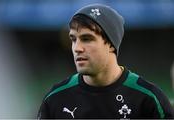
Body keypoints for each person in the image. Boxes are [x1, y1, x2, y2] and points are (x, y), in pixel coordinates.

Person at [37, 4, 174, 119]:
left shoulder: (147, 99)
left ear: (110, 44)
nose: (77, 48)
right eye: (73, 39)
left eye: (86, 39)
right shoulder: (55, 99)